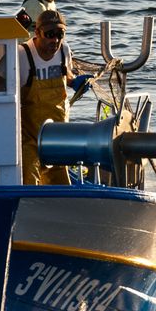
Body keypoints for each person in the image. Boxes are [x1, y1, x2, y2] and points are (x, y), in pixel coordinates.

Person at [19, 10, 91, 185]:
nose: (55, 40)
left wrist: (75, 83)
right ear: (37, 33)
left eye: (60, 34)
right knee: (29, 182)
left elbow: (67, 76)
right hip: (30, 139)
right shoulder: (23, 55)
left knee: (61, 186)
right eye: (50, 34)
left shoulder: (63, 51)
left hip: (58, 135)